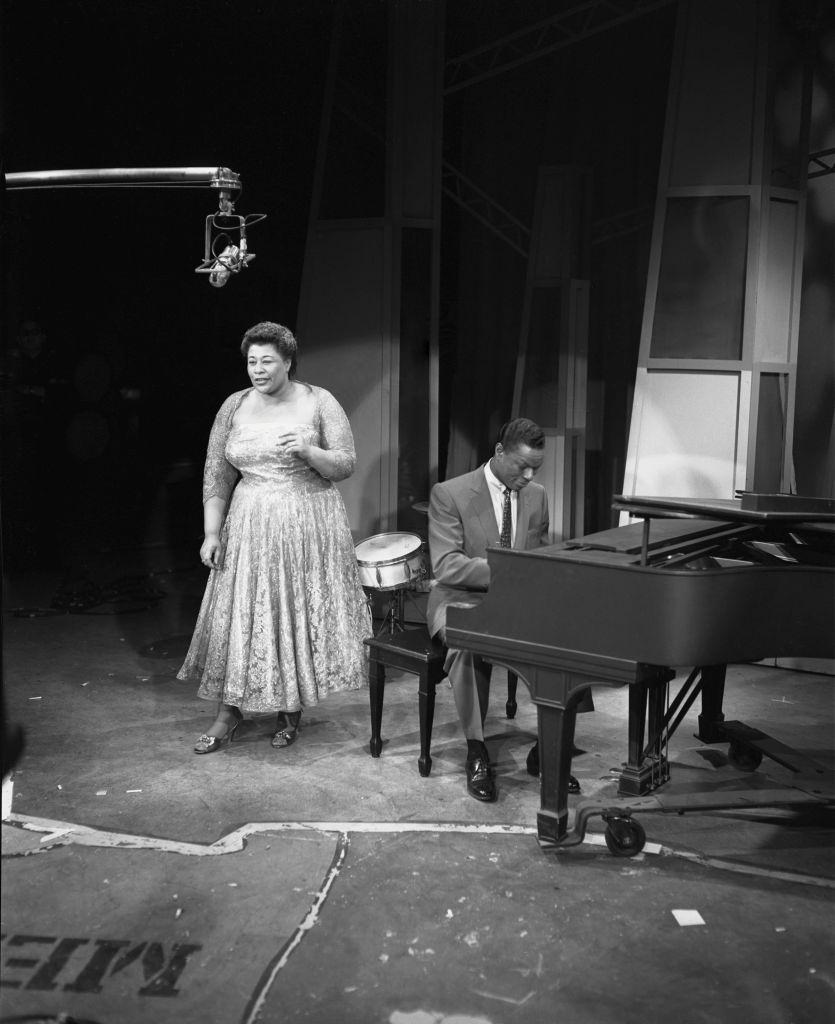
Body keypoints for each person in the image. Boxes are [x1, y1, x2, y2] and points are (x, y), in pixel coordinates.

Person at [177, 321, 371, 752]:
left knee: (290, 610)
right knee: (241, 612)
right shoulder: (234, 405)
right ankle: (228, 712)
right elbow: (217, 472)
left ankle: (290, 708)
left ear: (288, 362)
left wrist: (308, 451)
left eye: (267, 361)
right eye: (251, 362)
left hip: (304, 521)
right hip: (248, 522)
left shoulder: (319, 401)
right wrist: (212, 532)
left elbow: (344, 464)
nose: (258, 370)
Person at [427, 418, 588, 802]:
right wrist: (512, 572)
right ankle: (477, 750)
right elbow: (447, 565)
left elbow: (540, 553)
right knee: (468, 645)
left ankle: (549, 750)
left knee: (577, 642)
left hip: (517, 602)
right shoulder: (450, 494)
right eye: (522, 466)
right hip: (459, 597)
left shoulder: (537, 495)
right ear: (500, 453)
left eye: (536, 467)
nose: (529, 475)